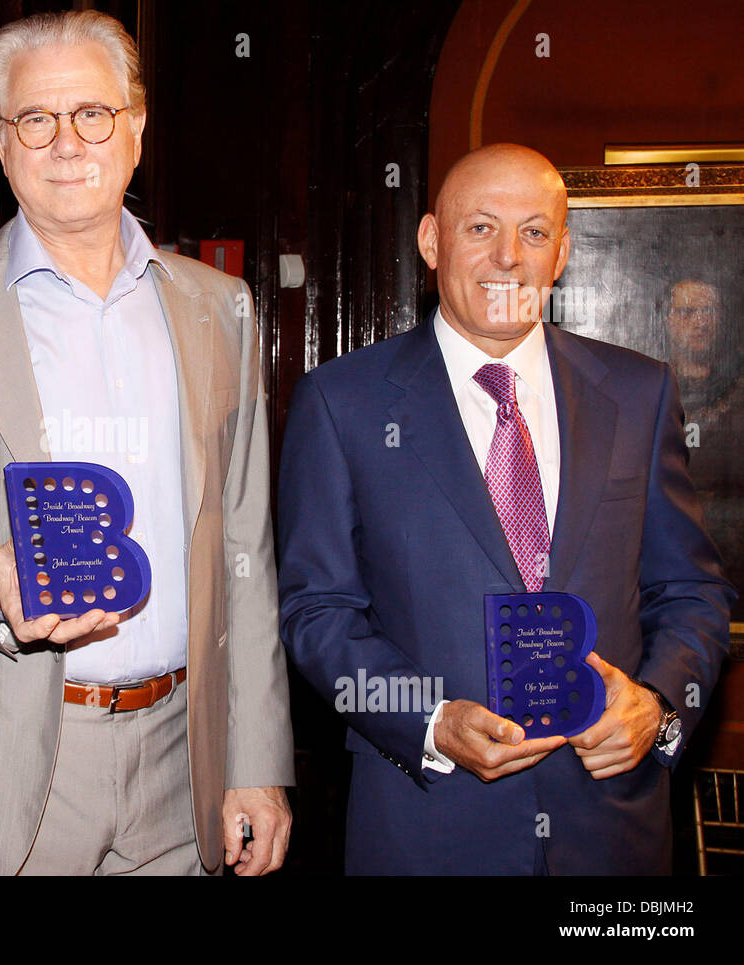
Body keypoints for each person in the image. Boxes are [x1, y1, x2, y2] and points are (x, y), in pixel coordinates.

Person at [0, 10, 293, 875]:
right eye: (33, 120)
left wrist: (257, 762)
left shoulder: (221, 308)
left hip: (184, 760)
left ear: (135, 129)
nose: (66, 143)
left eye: (92, 113)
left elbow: (245, 550)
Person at [277, 143, 735, 874]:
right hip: (427, 829)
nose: (508, 258)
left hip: (611, 832)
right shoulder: (343, 402)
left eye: (533, 232)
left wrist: (657, 704)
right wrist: (428, 719)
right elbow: (316, 612)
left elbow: (693, 591)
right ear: (431, 241)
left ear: (562, 252)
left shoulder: (638, 393)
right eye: (480, 228)